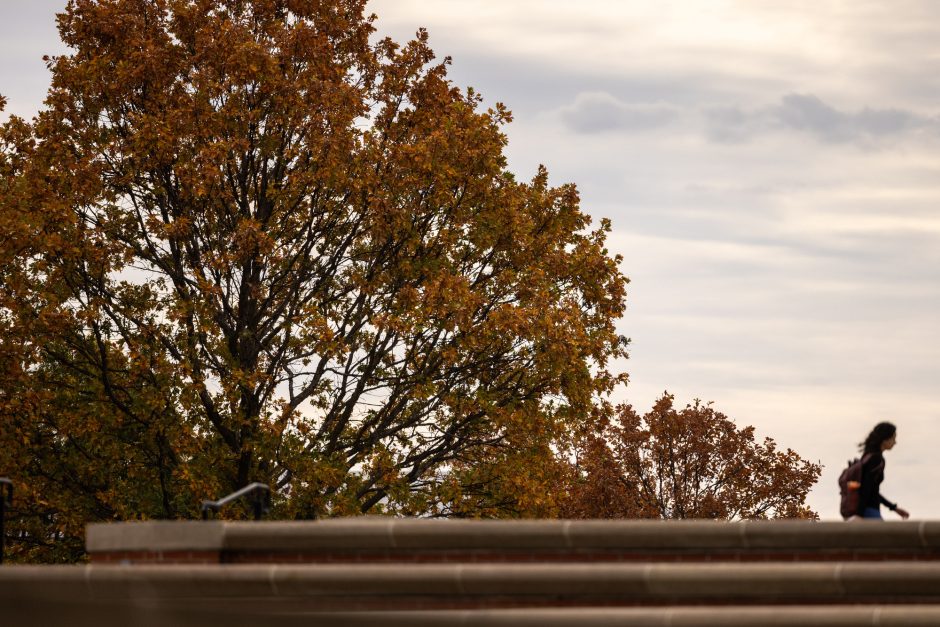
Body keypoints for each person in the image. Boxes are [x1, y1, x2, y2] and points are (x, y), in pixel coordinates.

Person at [853, 422, 910, 520]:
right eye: (893, 438)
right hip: (869, 512)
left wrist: (893, 508)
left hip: (866, 510)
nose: (895, 442)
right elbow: (867, 488)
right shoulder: (877, 459)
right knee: (883, 535)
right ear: (885, 439)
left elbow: (872, 490)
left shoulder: (867, 456)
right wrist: (859, 515)